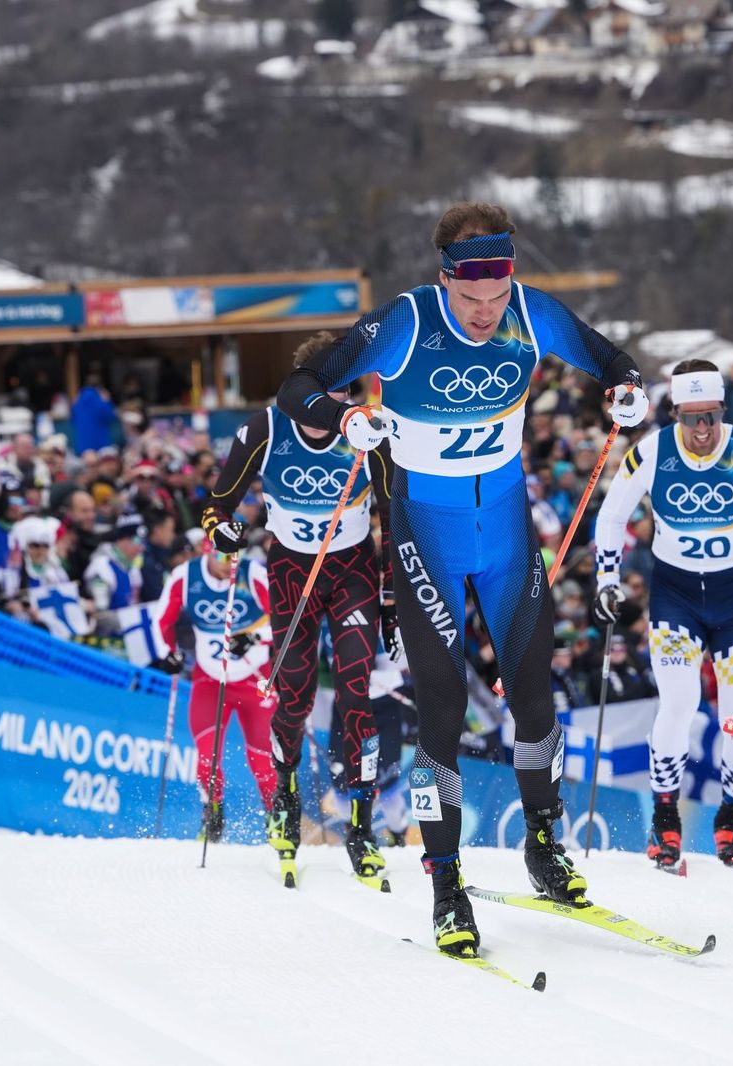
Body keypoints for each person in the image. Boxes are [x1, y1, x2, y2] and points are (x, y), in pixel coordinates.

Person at [276, 201, 648, 958]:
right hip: (429, 534)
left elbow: (613, 358)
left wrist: (627, 388)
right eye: (470, 300)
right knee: (441, 709)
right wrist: (343, 419)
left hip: (507, 527)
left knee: (536, 694)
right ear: (444, 280)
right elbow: (300, 385)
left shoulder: (530, 312)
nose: (486, 315)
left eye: (497, 296)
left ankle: (544, 844)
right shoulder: (407, 323)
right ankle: (446, 882)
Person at [591, 358, 733, 871]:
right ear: (674, 414)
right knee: (679, 703)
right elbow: (611, 515)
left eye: (711, 417)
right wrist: (606, 579)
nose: (702, 430)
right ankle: (664, 820)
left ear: (722, 411)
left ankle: (732, 822)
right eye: (691, 418)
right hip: (676, 598)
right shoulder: (651, 450)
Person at [204, 330, 398, 889]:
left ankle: (360, 823)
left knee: (358, 688)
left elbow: (392, 517)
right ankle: (286, 797)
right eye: (328, 393)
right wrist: (224, 531)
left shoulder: (368, 435)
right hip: (292, 571)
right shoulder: (267, 428)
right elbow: (217, 504)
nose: (339, 405)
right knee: (295, 692)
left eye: (345, 392)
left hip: (353, 570)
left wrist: (389, 600)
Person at [151, 544, 277, 842]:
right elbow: (161, 621)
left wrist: (253, 637)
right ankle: (213, 812)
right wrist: (167, 653)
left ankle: (276, 814)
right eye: (222, 556)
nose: (229, 564)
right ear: (207, 552)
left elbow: (287, 617)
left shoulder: (253, 573)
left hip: (254, 677)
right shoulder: (186, 576)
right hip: (210, 679)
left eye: (236, 557)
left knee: (262, 758)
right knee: (207, 755)